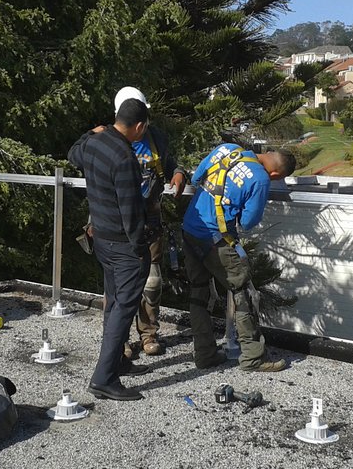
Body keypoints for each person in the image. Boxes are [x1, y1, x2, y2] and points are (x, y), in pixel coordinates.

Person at [181, 143, 296, 372]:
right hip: (216, 239)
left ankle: (205, 355)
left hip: (190, 228)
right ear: (275, 174)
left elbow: (196, 179)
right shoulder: (261, 179)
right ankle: (253, 357)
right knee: (244, 292)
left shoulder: (227, 148)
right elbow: (247, 221)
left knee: (198, 292)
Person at [68, 97, 153, 401]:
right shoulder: (124, 158)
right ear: (139, 126)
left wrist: (89, 133)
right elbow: (131, 211)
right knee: (122, 309)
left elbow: (72, 154)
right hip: (123, 245)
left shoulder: (95, 143)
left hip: (101, 239)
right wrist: (140, 248)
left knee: (114, 302)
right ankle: (104, 379)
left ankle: (117, 362)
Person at [111, 87, 187, 357]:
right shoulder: (108, 140)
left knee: (152, 282)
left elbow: (171, 164)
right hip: (117, 223)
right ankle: (118, 340)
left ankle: (148, 334)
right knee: (119, 285)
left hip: (149, 220)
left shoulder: (156, 138)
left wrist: (178, 174)